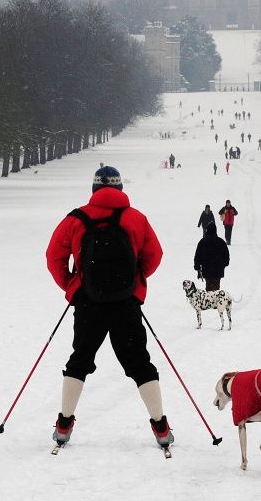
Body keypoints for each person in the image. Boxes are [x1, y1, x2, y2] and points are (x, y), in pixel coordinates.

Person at [46, 166, 173, 448]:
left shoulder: (76, 218)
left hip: (88, 303)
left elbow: (54, 255)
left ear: (94, 189)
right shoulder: (136, 218)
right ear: (120, 189)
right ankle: (161, 427)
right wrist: (134, 283)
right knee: (139, 362)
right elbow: (154, 255)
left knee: (80, 359)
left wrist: (72, 285)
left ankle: (64, 424)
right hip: (126, 303)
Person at [194, 222, 230, 292]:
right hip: (218, 270)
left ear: (207, 230)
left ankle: (209, 301)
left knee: (208, 288)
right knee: (216, 289)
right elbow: (226, 256)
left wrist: (197, 268)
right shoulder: (221, 242)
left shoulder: (202, 242)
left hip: (206, 269)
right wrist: (224, 264)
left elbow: (197, 256)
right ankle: (215, 301)